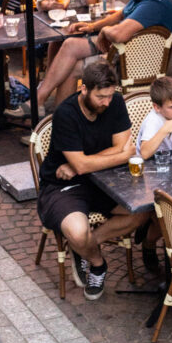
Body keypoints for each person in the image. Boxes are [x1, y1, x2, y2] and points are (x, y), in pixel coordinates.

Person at [36, 60, 146, 301]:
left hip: (104, 180)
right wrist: (86, 164)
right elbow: (109, 155)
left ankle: (82, 247)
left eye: (109, 95)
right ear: (83, 88)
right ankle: (97, 263)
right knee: (76, 230)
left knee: (144, 209)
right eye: (100, 97)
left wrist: (82, 164)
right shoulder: (65, 113)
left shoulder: (114, 101)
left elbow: (119, 149)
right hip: (63, 186)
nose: (106, 102)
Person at [34, 0, 172, 113]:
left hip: (128, 66)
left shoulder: (154, 4)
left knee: (70, 68)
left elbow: (118, 34)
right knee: (69, 44)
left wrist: (104, 32)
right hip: (121, 52)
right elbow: (121, 14)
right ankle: (45, 104)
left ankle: (58, 122)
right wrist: (93, 27)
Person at [136, 76, 172, 159]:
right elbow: (144, 154)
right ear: (157, 107)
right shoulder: (153, 121)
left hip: (168, 159)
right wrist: (164, 130)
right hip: (149, 164)